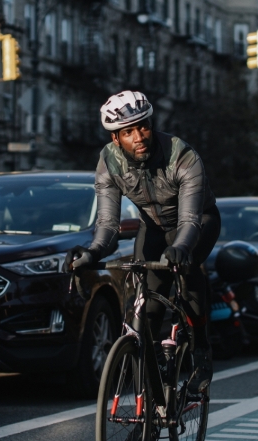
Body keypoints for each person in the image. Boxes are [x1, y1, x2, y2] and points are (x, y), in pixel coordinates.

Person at [68, 89, 220, 397]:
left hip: (197, 223)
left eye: (143, 126)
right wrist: (93, 251)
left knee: (188, 275)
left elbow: (189, 222)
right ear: (116, 139)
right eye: (128, 131)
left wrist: (181, 249)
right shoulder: (108, 163)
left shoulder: (182, 155)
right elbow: (108, 225)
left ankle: (201, 350)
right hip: (153, 228)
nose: (139, 136)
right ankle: (146, 416)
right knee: (144, 320)